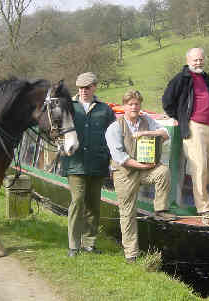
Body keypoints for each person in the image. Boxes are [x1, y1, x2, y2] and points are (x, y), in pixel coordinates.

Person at [106, 90, 177, 263]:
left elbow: (165, 134)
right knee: (128, 212)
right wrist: (142, 165)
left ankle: (160, 210)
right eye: (130, 104)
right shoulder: (114, 127)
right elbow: (120, 158)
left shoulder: (146, 120)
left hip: (145, 170)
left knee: (163, 172)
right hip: (124, 173)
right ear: (124, 106)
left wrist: (146, 134)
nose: (134, 107)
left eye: (137, 104)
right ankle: (131, 253)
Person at [162, 47, 209, 216]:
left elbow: (208, 99)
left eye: (201, 59)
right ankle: (204, 208)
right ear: (188, 61)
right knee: (199, 168)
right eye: (195, 60)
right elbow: (167, 100)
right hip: (195, 128)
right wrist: (179, 117)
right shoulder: (181, 78)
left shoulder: (206, 79)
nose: (198, 63)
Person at [61, 72, 116, 257]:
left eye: (87, 87)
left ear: (94, 87)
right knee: (77, 202)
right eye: (80, 88)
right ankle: (73, 245)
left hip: (97, 164)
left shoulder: (105, 110)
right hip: (75, 164)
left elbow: (113, 137)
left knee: (93, 205)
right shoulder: (69, 107)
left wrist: (112, 160)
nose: (83, 91)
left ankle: (90, 243)